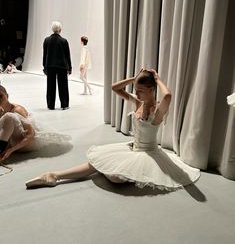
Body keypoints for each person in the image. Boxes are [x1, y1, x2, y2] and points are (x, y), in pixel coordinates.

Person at [25, 69, 200, 190]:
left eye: (140, 90)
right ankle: (54, 175)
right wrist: (134, 78)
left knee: (115, 177)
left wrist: (157, 77)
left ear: (151, 89)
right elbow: (114, 87)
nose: (136, 94)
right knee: (100, 163)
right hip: (133, 147)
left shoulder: (158, 110)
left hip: (148, 154)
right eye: (135, 90)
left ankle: (57, 175)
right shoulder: (138, 102)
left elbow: (168, 94)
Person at [0, 85, 71, 162]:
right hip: (9, 139)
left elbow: (30, 134)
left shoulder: (17, 110)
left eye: (0, 96)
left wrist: (11, 150)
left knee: (9, 116)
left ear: (7, 96)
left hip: (24, 142)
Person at [43, 21, 72, 110]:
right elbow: (67, 56)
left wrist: (45, 67)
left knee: (50, 86)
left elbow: (45, 54)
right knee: (63, 85)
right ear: (60, 29)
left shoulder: (47, 40)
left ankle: (50, 105)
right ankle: (64, 104)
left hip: (50, 66)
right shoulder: (64, 41)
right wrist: (69, 68)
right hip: (62, 66)